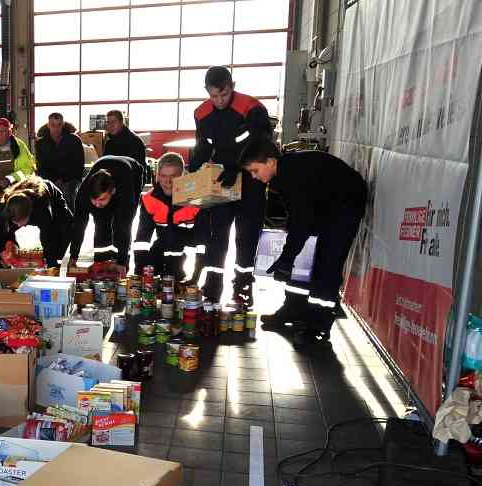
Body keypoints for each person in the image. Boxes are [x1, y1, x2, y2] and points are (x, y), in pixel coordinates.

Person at [240, 139, 367, 347]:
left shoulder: (292, 175)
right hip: (325, 204)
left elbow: (303, 222)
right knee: (303, 259)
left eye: (255, 170)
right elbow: (298, 217)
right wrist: (288, 257)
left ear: (270, 162)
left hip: (346, 203)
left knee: (327, 264)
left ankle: (319, 326)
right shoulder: (282, 175)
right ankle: (293, 309)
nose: (254, 177)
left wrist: (286, 258)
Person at [189, 66, 274, 305]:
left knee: (246, 236)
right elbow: (203, 145)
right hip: (221, 182)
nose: (219, 101)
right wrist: (194, 168)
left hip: (250, 179)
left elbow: (261, 145)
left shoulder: (252, 108)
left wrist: (237, 168)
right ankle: (212, 287)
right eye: (213, 95)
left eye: (223, 95)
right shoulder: (201, 113)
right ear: (207, 91)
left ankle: (242, 289)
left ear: (232, 86)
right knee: (218, 235)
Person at [131, 152, 200, 279]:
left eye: (173, 176)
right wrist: (140, 270)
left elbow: (205, 240)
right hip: (164, 243)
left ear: (183, 175)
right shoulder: (149, 199)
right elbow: (142, 239)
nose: (168, 181)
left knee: (173, 236)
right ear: (157, 176)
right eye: (163, 176)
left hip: (192, 248)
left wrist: (196, 276)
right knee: (148, 268)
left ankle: (174, 274)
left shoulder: (197, 198)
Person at [73, 155, 143, 273]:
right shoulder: (83, 194)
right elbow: (79, 225)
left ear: (113, 191)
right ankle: (101, 261)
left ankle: (121, 263)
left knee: (120, 223)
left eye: (102, 200)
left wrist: (121, 261)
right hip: (104, 165)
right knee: (101, 221)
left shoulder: (124, 193)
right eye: (94, 200)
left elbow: (124, 227)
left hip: (132, 173)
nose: (97, 204)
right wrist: (73, 256)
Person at [0, 175, 73, 270]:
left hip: (53, 200)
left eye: (21, 222)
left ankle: (54, 265)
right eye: (16, 222)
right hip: (22, 197)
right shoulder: (5, 207)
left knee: (66, 229)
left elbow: (48, 235)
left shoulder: (41, 209)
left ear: (30, 214)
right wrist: (4, 251)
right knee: (3, 237)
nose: (20, 226)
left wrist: (50, 261)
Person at [34, 112, 87, 262]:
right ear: (48, 125)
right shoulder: (41, 143)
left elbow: (79, 165)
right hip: (50, 182)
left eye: (58, 125)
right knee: (46, 210)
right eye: (52, 125)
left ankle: (66, 236)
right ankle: (50, 246)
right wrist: (53, 181)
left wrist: (63, 180)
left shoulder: (74, 140)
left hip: (70, 181)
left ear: (63, 125)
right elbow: (40, 167)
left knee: (67, 202)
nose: (55, 129)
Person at [0, 117, 35, 192]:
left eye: (3, 131)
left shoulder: (20, 146)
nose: (0, 134)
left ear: (10, 132)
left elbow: (28, 169)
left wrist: (10, 179)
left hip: (16, 184)